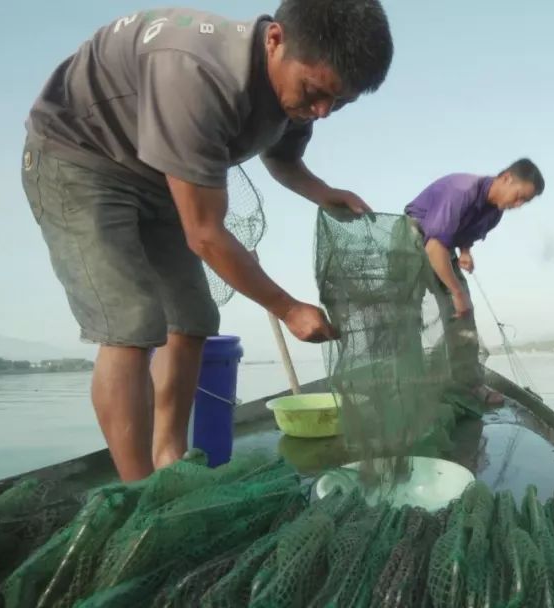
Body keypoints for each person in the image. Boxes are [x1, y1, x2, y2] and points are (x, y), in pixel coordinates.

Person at [20, 0, 393, 482]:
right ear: (275, 40)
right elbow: (205, 234)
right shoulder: (195, 73)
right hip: (78, 158)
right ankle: (140, 494)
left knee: (194, 316)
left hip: (155, 175)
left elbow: (281, 156)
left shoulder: (296, 96)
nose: (321, 112)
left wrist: (323, 193)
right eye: (315, 93)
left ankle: (169, 460)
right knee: (133, 322)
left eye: (339, 102)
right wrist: (289, 308)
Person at [404, 159, 545, 405]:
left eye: (525, 202)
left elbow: (462, 234)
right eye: (519, 196)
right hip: (411, 238)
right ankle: (404, 385)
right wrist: (457, 293)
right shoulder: (462, 190)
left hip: (441, 245)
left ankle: (469, 385)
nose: (519, 205)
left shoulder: (495, 213)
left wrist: (466, 252)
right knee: (407, 315)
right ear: (507, 178)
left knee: (464, 313)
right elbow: (434, 247)